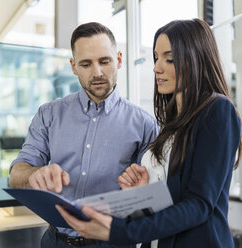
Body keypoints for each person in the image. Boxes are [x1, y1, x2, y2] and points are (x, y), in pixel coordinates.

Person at [56, 18, 242, 248]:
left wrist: (118, 231)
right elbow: (173, 200)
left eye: (170, 59)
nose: (156, 67)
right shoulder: (173, 120)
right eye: (156, 58)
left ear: (195, 59)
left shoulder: (218, 110)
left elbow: (199, 205)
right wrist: (145, 194)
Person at [9, 22, 158, 248]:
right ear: (73, 66)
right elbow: (16, 175)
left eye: (104, 61)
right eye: (86, 64)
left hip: (112, 243)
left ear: (118, 59)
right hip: (55, 241)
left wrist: (140, 196)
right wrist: (35, 174)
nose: (97, 72)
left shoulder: (144, 124)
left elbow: (151, 199)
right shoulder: (49, 114)